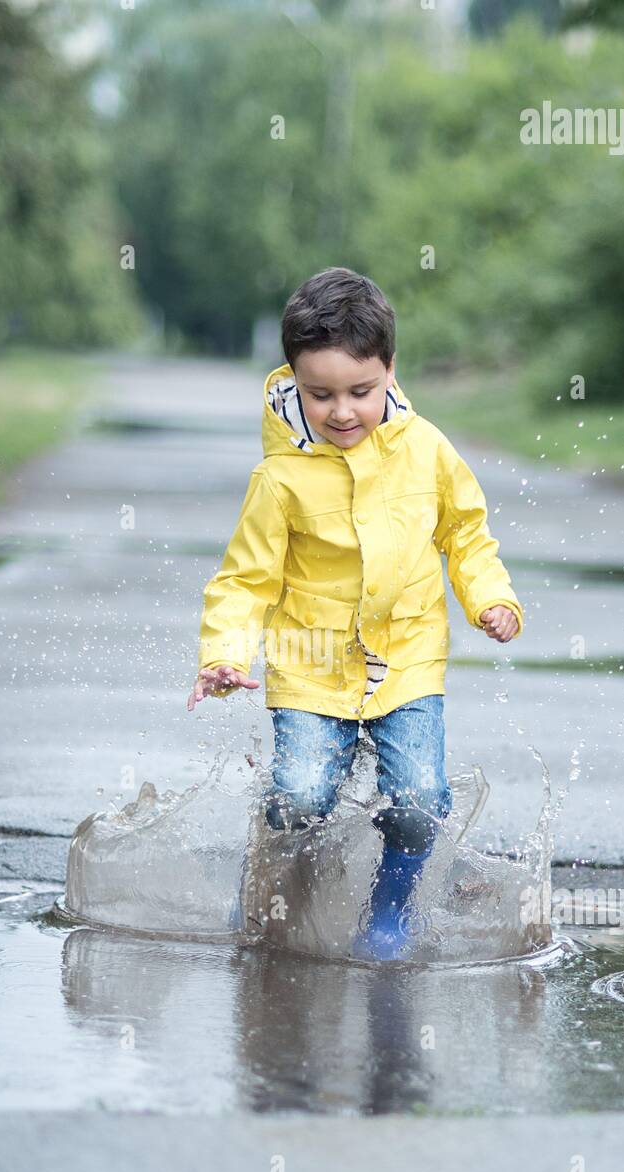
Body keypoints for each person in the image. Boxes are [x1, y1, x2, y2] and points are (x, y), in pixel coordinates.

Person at [187, 267, 523, 958]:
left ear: (390, 371)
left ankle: (388, 914)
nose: (342, 411)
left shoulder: (425, 449)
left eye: (360, 393)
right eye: (321, 395)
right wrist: (223, 653)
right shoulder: (279, 478)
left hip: (406, 659)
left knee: (418, 799)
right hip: (311, 665)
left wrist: (490, 598)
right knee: (304, 795)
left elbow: (464, 533)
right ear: (295, 380)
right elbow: (245, 579)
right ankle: (275, 871)